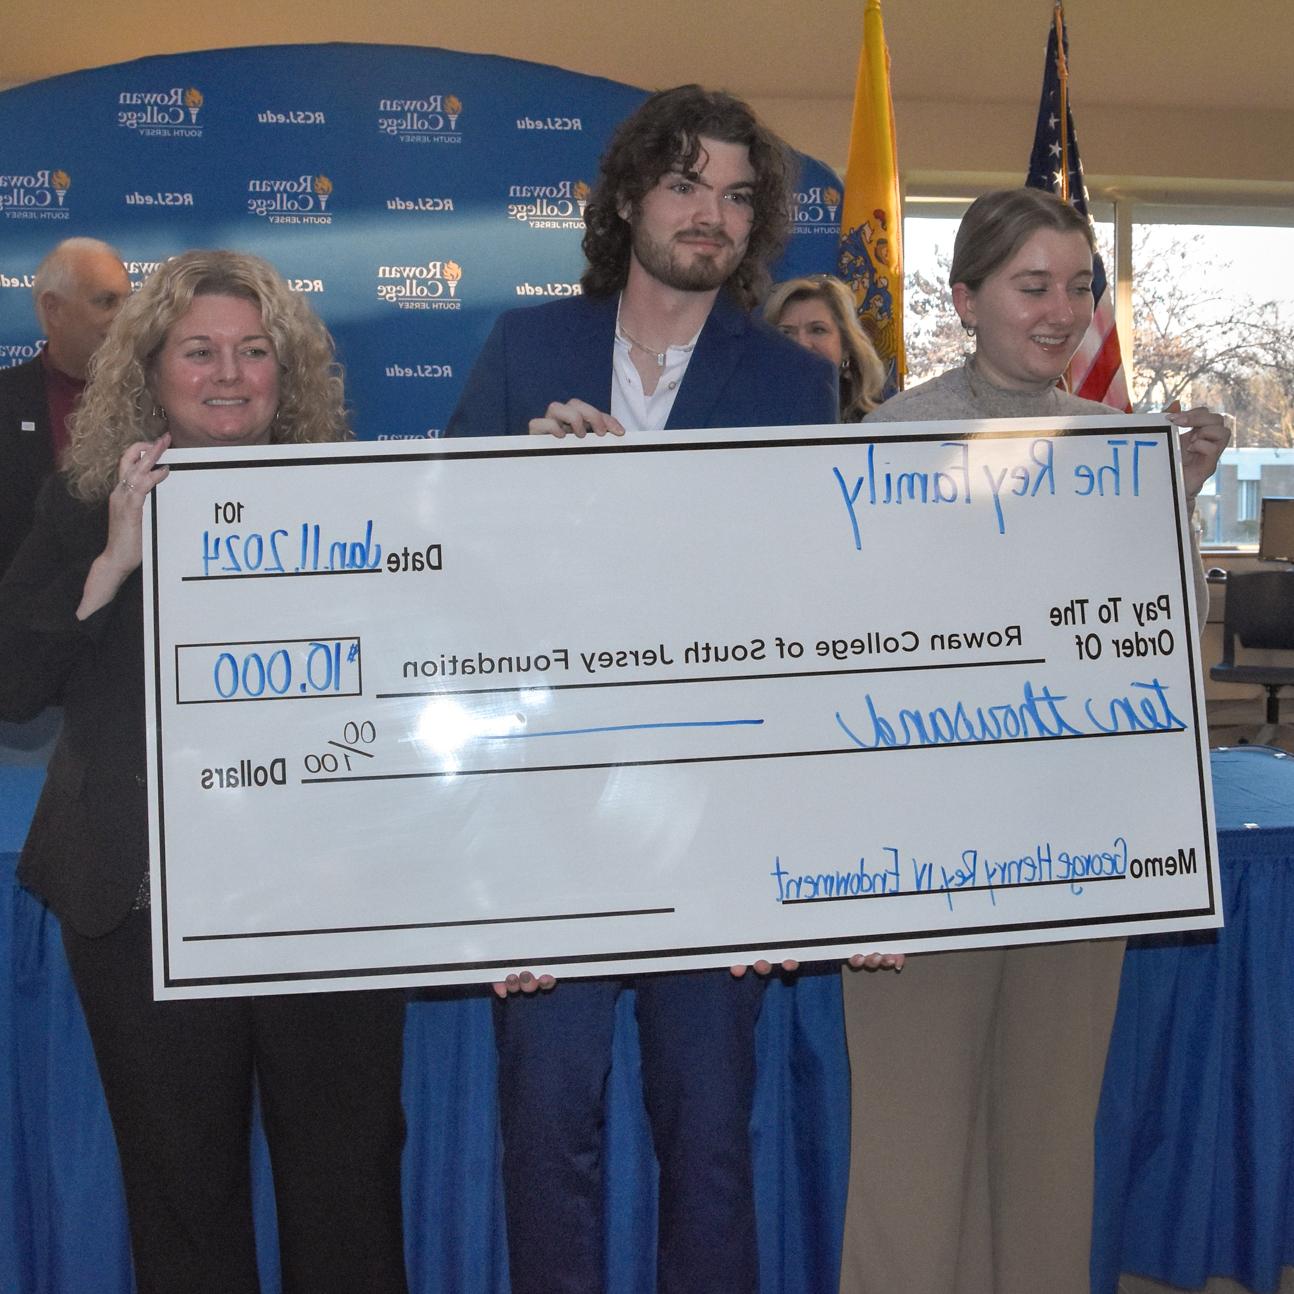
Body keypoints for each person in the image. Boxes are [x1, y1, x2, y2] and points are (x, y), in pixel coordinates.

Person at [446, 84, 868, 1294]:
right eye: (686, 184)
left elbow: (807, 625)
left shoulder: (789, 386)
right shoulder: (525, 349)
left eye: (737, 196)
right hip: (546, 811)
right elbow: (445, 577)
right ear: (629, 195)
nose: (711, 215)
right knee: (545, 1130)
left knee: (708, 1143)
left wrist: (785, 857)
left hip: (711, 820)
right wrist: (514, 487)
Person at [837, 188, 1230, 1294]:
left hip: (1076, 854)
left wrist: (1174, 502)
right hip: (918, 862)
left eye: (1078, 286)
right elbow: (841, 667)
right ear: (965, 299)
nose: (1060, 311)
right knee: (910, 1162)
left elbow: (1138, 659)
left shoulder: (1123, 450)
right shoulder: (884, 443)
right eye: (1030, 286)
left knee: (1049, 1152)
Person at [0, 251, 409, 1294]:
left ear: (289, 371)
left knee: (347, 1193)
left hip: (325, 910)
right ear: (150, 369)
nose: (228, 373)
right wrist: (115, 558)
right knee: (182, 1205)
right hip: (144, 907)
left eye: (254, 350)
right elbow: (13, 683)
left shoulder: (359, 507)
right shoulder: (81, 502)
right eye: (199, 350)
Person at [0, 237, 131, 580]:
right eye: (106, 302)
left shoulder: (157, 399)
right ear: (53, 308)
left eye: (127, 301)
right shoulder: (6, 400)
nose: (124, 317)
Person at [764, 273, 886, 420]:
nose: (802, 344)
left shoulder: (880, 422)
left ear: (846, 346)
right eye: (787, 332)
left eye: (818, 330)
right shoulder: (745, 416)